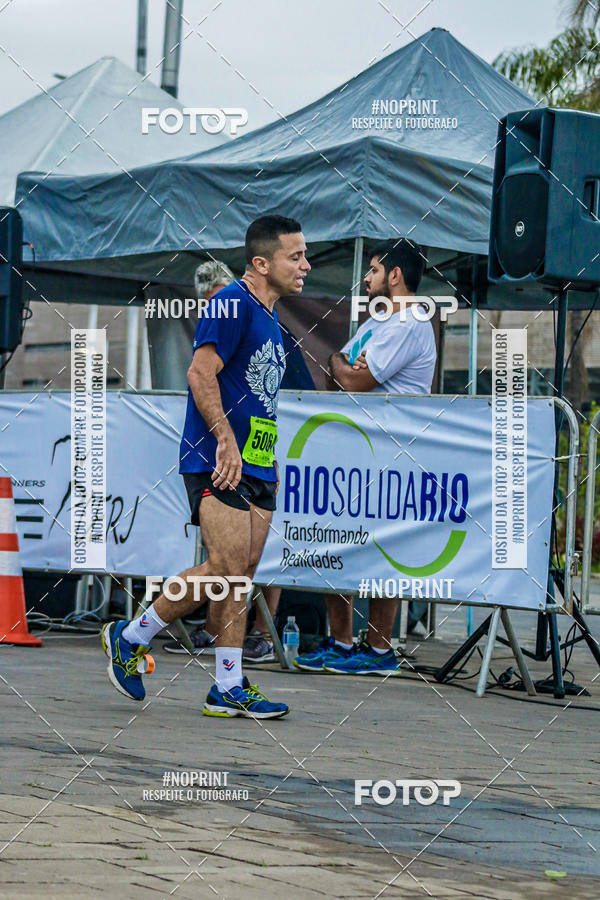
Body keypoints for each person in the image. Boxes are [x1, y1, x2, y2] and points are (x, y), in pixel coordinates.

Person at [102, 215, 311, 717]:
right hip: (219, 459)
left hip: (258, 463)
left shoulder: (272, 319)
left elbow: (259, 398)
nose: (305, 265)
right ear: (261, 263)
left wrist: (262, 457)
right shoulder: (231, 301)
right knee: (225, 569)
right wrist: (224, 440)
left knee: (240, 575)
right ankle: (131, 637)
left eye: (305, 255)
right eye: (295, 256)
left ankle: (226, 685)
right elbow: (201, 372)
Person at [293, 238, 437, 676]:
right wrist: (342, 366)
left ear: (395, 275)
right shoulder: (378, 323)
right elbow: (338, 375)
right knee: (335, 542)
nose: (367, 278)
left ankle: (377, 650)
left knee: (381, 550)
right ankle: (340, 643)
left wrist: (340, 364)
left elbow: (353, 379)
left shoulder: (411, 322)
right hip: (354, 450)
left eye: (374, 270)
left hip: (392, 453)